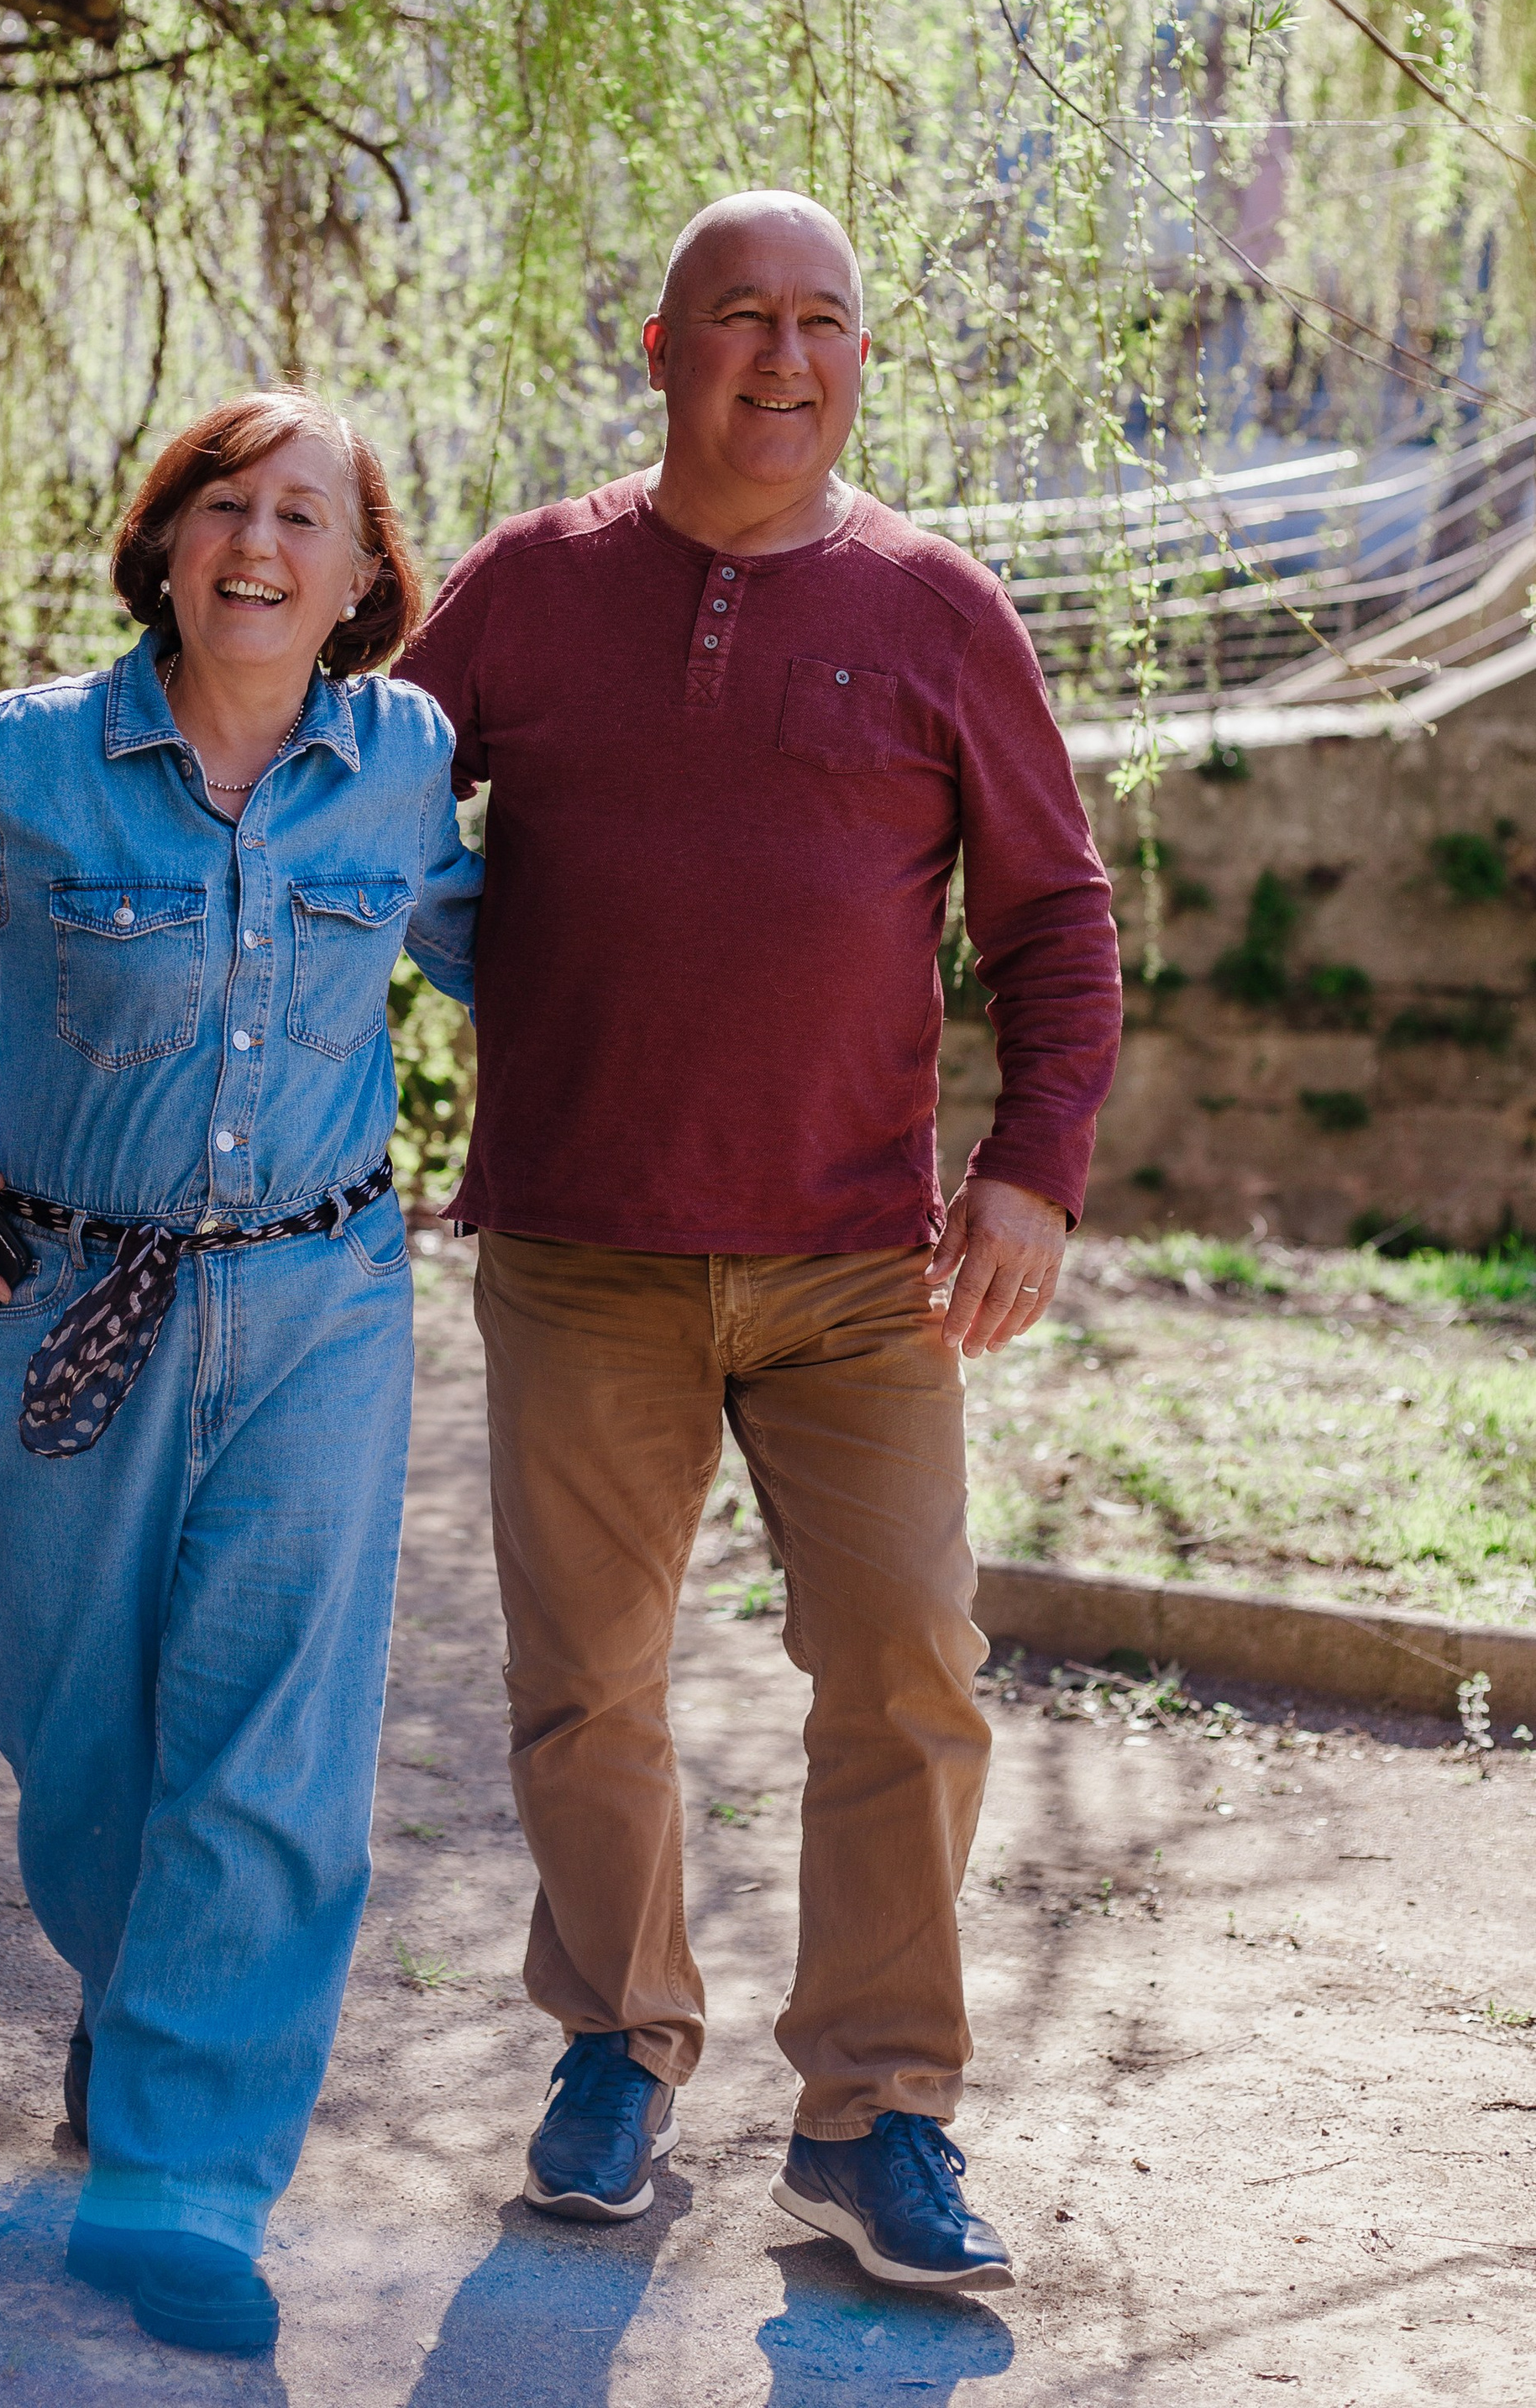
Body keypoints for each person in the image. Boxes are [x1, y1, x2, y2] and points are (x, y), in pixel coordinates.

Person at [400, 191, 1122, 2290]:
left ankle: (873, 2113)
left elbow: (1052, 916)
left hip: (853, 1264)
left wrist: (1031, 1167)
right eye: (738, 319)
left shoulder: (934, 608)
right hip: (577, 1241)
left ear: (859, 359)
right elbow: (348, 805)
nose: (779, 360)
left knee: (902, 1664)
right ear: (658, 348)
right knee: (583, 1681)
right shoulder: (523, 588)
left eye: (820, 323)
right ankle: (616, 2050)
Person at [0, 392, 480, 2358]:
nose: (259, 544)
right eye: (222, 508)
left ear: (357, 583)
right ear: (161, 546)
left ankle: (183, 2189)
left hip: (322, 1312)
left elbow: (533, 966)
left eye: (304, 518)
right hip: (67, 1303)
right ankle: (140, 2008)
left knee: (273, 1754)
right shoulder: (21, 771)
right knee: (80, 1731)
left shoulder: (401, 764)